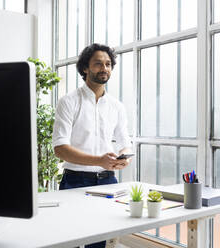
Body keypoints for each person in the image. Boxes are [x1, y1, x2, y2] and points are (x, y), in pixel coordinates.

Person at [52, 43, 132, 248]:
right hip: (75, 181)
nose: (104, 68)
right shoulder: (68, 102)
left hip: (108, 181)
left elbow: (125, 143)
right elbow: (60, 148)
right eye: (98, 64)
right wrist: (99, 160)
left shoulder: (117, 106)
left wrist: (124, 157)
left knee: (98, 242)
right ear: (85, 68)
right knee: (68, 239)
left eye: (108, 64)